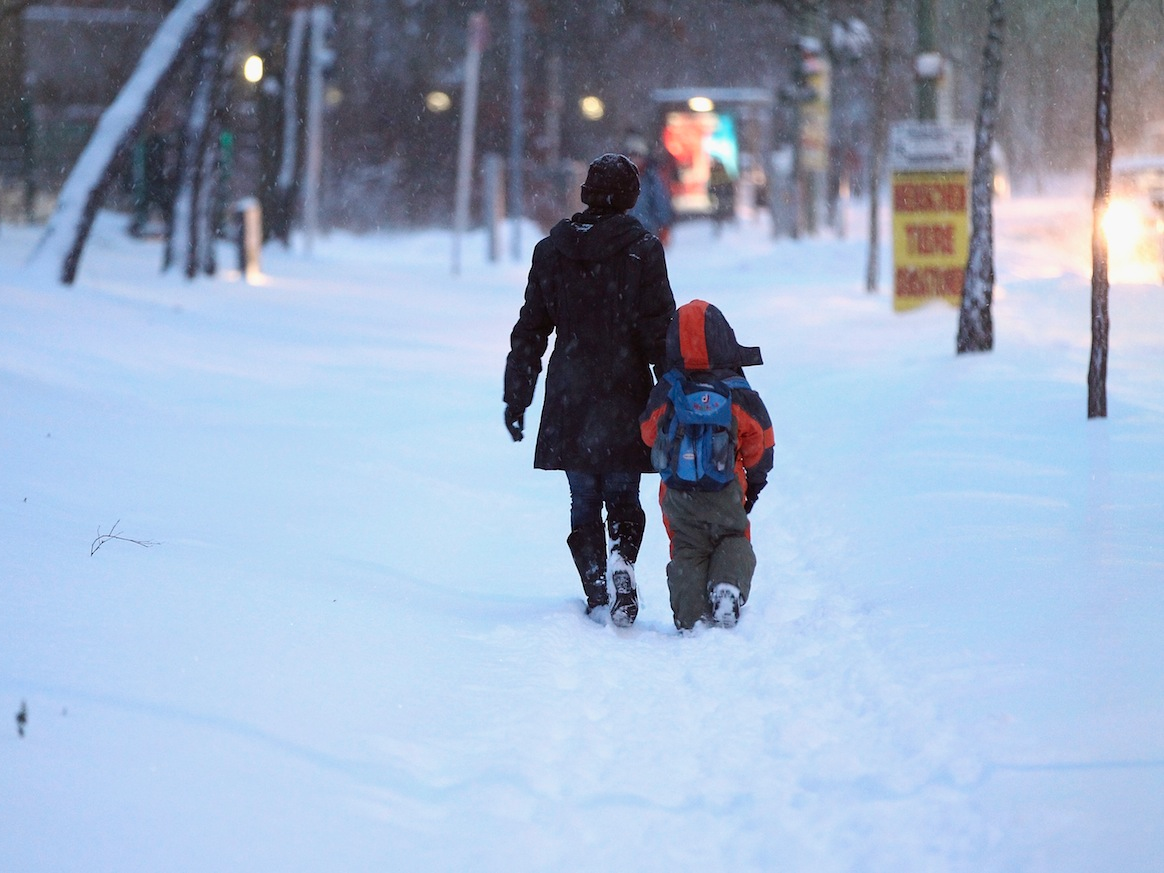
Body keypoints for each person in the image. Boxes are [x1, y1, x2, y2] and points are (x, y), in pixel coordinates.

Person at [504, 153, 676, 627]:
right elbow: (660, 331)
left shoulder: (551, 250)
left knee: (583, 499)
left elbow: (530, 331)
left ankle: (597, 585)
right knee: (623, 495)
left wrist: (516, 395)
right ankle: (623, 559)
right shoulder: (643, 249)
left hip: (570, 391)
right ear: (630, 199)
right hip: (626, 388)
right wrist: (672, 393)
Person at [639, 299, 774, 631]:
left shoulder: (669, 388)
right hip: (725, 487)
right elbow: (762, 440)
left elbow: (647, 433)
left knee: (687, 547)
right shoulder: (736, 391)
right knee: (732, 537)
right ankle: (727, 585)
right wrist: (755, 480)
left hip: (677, 491)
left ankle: (689, 613)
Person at [625, 135, 675, 245]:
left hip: (647, 231)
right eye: (631, 155)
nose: (634, 159)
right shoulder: (621, 178)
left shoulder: (651, 178)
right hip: (625, 232)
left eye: (637, 155)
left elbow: (661, 202)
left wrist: (663, 225)